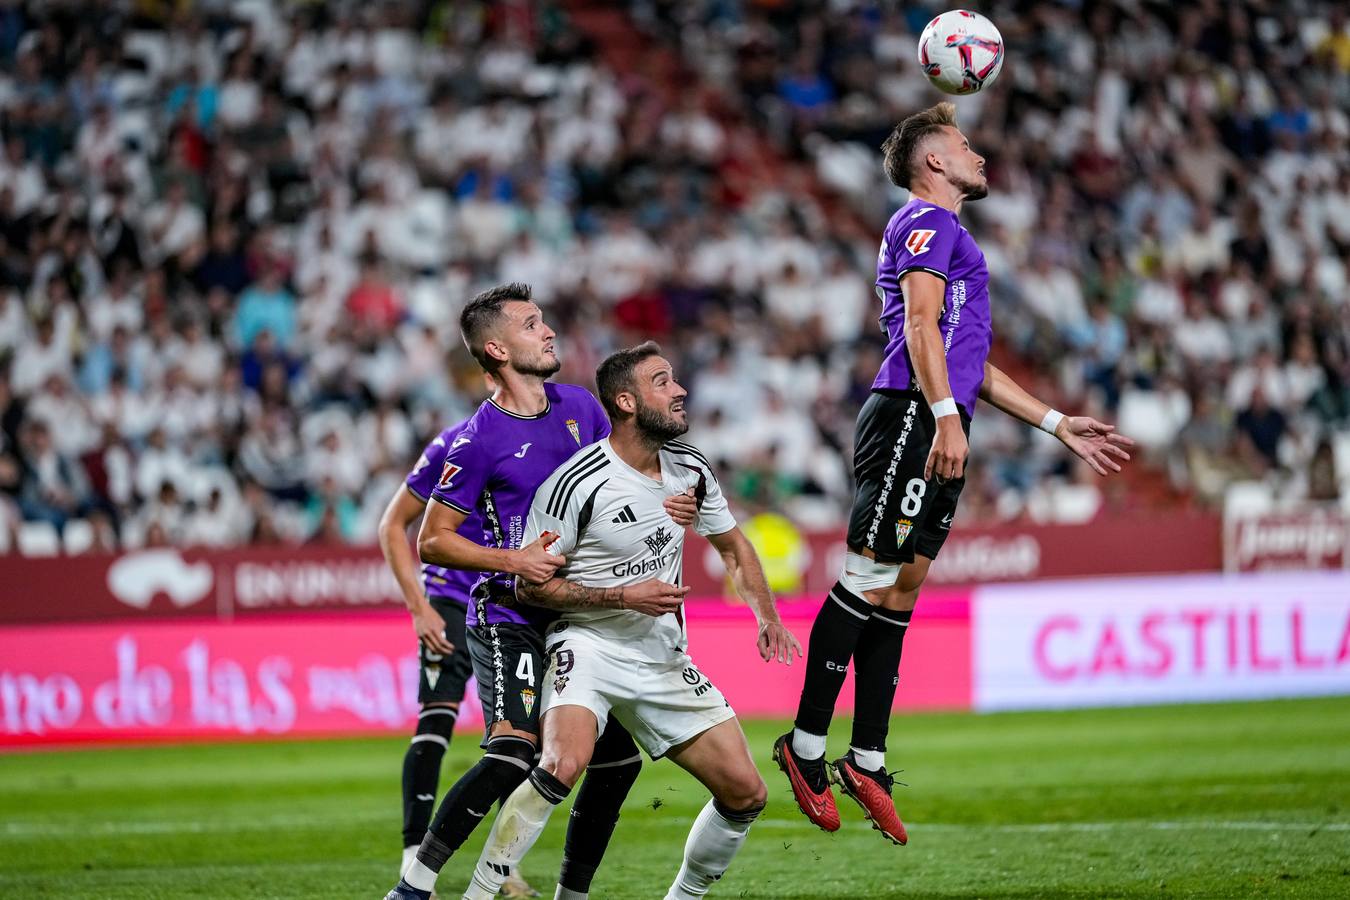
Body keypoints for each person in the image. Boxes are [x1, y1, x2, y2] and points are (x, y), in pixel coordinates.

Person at [774, 102, 1137, 844]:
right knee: (869, 575)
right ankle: (804, 748)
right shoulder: (925, 223)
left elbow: (970, 360)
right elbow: (917, 326)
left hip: (937, 407)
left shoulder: (950, 234)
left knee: (902, 587)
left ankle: (867, 757)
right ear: (933, 161)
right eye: (962, 143)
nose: (977, 152)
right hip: (911, 409)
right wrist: (941, 414)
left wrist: (1055, 422)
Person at [460, 342, 801, 900]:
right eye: (663, 382)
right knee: (560, 765)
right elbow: (531, 585)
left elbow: (734, 545)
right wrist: (622, 595)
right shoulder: (576, 485)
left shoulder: (689, 469)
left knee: (746, 793)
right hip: (588, 643)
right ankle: (479, 895)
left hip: (661, 654)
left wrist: (767, 615)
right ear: (626, 401)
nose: (680, 390)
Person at [386, 285, 696, 900]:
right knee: (510, 755)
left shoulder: (580, 406)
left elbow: (613, 482)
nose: (549, 331)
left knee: (617, 763)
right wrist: (513, 559)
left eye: (545, 321)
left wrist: (665, 497)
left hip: (572, 614)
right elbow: (433, 540)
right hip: (507, 616)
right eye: (533, 325)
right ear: (498, 349)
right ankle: (412, 889)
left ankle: (570, 895)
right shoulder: (477, 441)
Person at [377, 408, 543, 898]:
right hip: (451, 598)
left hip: (510, 604)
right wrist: (418, 607)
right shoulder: (454, 444)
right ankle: (414, 858)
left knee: (517, 741)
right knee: (436, 723)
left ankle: (503, 869)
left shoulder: (549, 435)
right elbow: (393, 525)